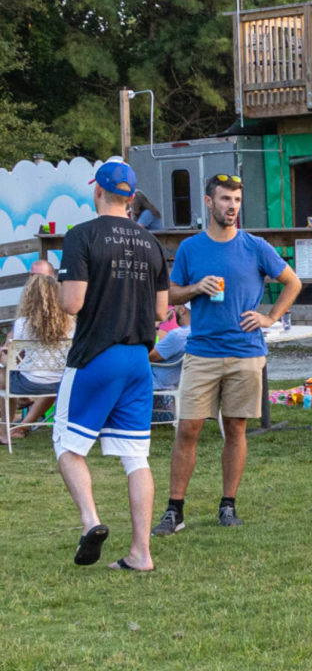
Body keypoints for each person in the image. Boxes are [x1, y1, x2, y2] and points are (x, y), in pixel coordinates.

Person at [152, 173, 301, 536]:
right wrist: (193, 289)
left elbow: (293, 282)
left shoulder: (254, 246)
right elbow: (169, 295)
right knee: (188, 428)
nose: (231, 207)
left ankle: (228, 506)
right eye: (224, 200)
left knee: (236, 428)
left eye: (236, 200)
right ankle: (175, 510)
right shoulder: (190, 248)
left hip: (245, 352)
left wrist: (270, 317)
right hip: (201, 351)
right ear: (208, 203)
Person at [55, 160, 169, 571]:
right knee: (136, 457)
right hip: (139, 359)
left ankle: (91, 521)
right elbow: (160, 311)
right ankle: (141, 553)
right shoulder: (151, 242)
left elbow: (72, 303)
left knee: (67, 446)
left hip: (97, 355)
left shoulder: (81, 236)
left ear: (97, 193)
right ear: (132, 198)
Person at [0, 274, 74, 444]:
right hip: (62, 382)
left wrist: (3, 357)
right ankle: (21, 425)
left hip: (29, 382)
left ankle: (4, 433)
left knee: (4, 378)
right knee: (51, 377)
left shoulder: (22, 324)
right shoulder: (70, 323)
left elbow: (15, 363)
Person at [149, 302, 191, 390]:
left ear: (182, 310)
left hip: (156, 385)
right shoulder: (197, 333)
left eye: (175, 307)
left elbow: (148, 355)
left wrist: (155, 324)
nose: (173, 310)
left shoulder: (177, 335)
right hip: (176, 385)